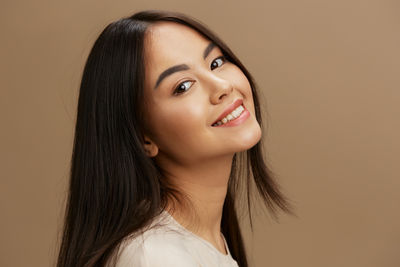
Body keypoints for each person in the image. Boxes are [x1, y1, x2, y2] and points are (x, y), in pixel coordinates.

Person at [57, 9, 293, 267]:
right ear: (142, 138)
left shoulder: (197, 243)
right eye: (183, 86)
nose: (222, 87)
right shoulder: (155, 257)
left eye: (216, 63)